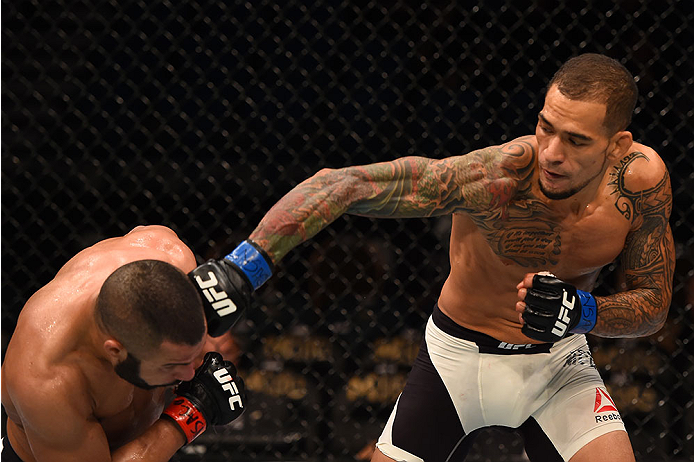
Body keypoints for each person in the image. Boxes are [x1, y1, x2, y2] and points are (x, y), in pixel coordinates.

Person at [190, 53, 674, 461]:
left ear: (618, 145)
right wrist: (243, 265)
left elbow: (652, 308)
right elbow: (345, 183)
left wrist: (582, 312)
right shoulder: (496, 179)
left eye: (575, 140)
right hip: (457, 362)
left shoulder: (642, 186)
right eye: (545, 127)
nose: (550, 152)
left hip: (558, 364)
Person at [1, 225, 247, 462]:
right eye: (171, 364)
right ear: (115, 350)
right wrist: (192, 412)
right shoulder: (47, 382)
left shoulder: (169, 254)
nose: (190, 373)